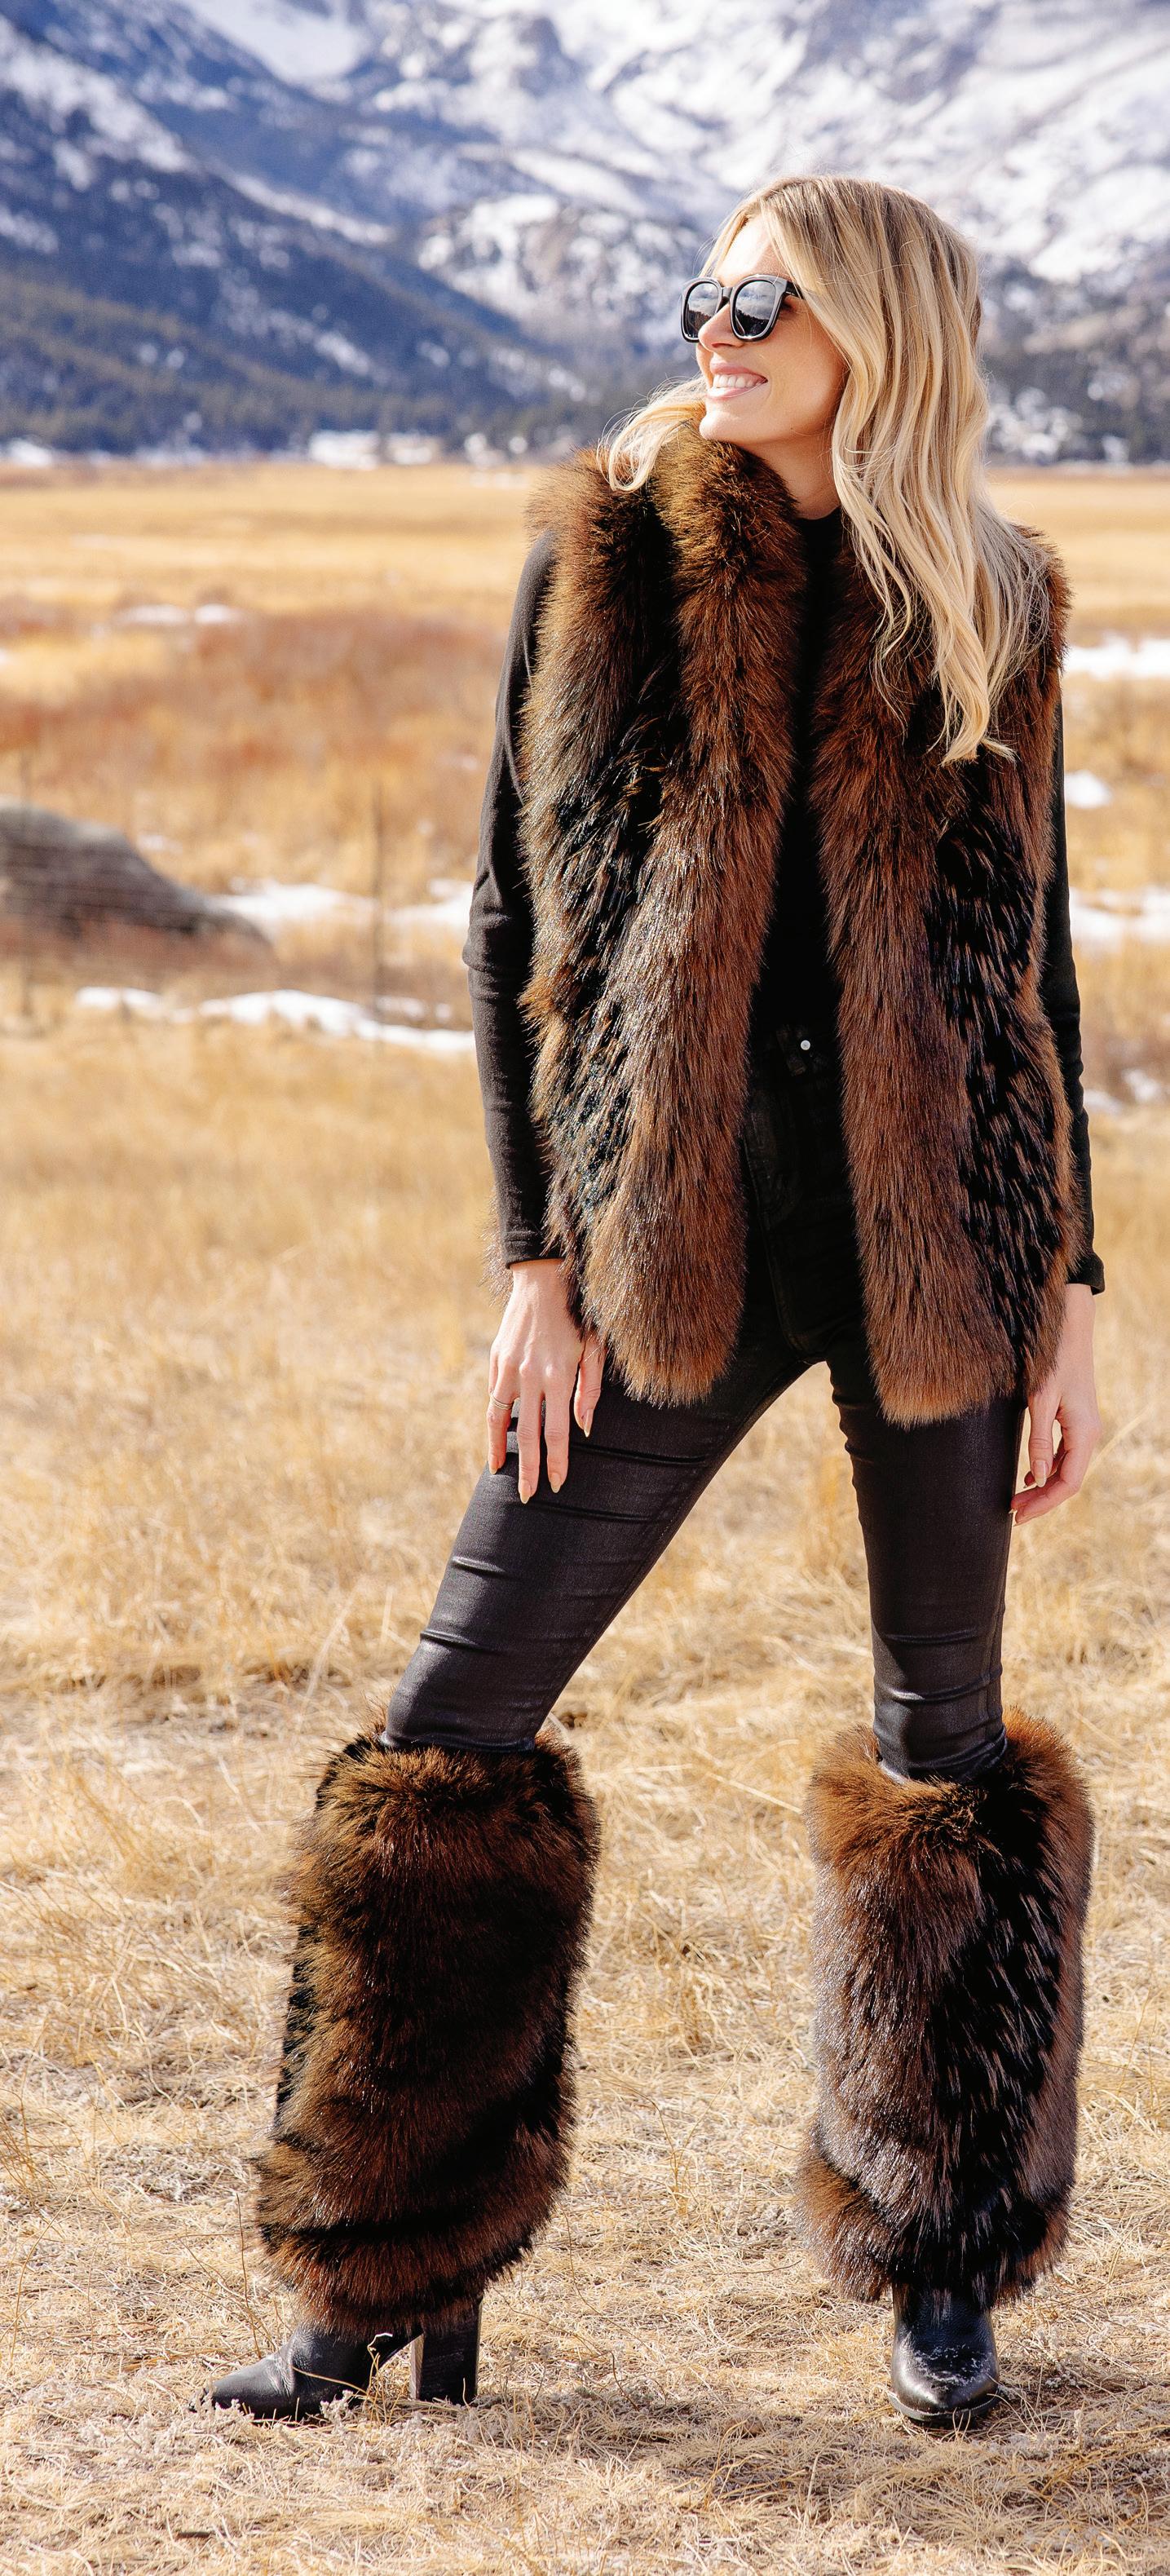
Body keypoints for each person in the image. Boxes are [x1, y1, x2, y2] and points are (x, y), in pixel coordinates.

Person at [210, 173, 1100, 2432]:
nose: (717, 326)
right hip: (656, 1247)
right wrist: (536, 1261)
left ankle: (943, 2267)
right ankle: (380, 2262)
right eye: (705, 291)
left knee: (943, 1752)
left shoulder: (989, 591)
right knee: (456, 1717)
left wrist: (1072, 1288)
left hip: (939, 1251)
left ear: (877, 332)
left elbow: (1034, 963)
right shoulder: (608, 551)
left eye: (762, 298)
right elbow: (508, 921)